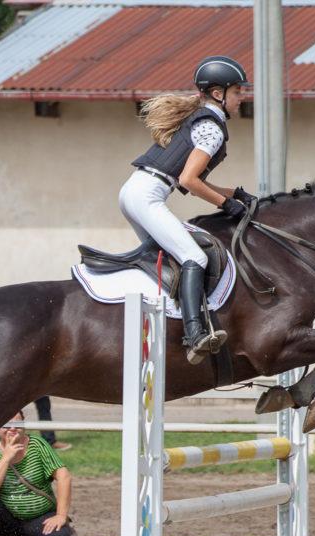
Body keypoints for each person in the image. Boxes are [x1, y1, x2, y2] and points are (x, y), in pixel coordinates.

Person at [123, 55, 253, 364]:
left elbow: (192, 178)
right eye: (237, 92)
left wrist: (233, 193)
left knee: (165, 260)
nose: (242, 97)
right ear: (218, 94)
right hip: (147, 196)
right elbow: (189, 181)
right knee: (195, 257)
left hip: (135, 191)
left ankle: (168, 321)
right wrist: (227, 205)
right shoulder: (212, 128)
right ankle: (194, 334)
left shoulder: (201, 120)